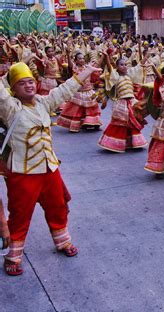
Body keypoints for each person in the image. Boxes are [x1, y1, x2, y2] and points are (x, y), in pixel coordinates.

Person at [0, 61, 100, 276]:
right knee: (20, 215)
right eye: (21, 83)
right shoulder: (10, 108)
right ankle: (13, 256)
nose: (28, 86)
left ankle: (62, 242)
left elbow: (64, 90)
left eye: (30, 82)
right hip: (23, 173)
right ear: (13, 89)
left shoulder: (43, 103)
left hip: (49, 168)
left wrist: (87, 72)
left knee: (58, 206)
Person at [97, 54, 148, 153]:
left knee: (133, 122)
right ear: (117, 67)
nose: (124, 66)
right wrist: (107, 57)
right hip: (121, 102)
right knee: (121, 123)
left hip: (132, 101)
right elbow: (110, 68)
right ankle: (114, 143)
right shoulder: (115, 77)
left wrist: (145, 58)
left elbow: (138, 67)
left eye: (125, 64)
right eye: (121, 65)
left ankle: (132, 142)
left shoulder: (129, 75)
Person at [56, 52, 102, 132]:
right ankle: (77, 124)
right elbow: (70, 65)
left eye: (83, 58)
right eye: (80, 58)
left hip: (89, 91)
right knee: (77, 110)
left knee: (93, 107)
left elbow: (97, 67)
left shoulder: (87, 67)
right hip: (79, 92)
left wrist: (104, 56)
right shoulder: (74, 67)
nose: (82, 60)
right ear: (76, 61)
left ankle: (93, 123)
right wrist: (68, 53)